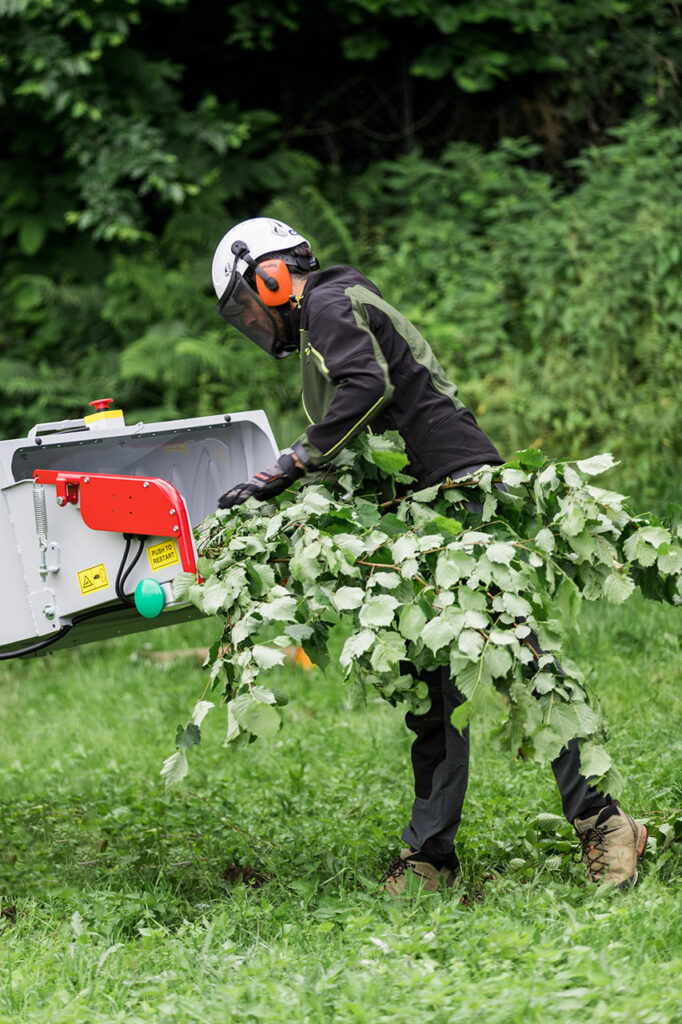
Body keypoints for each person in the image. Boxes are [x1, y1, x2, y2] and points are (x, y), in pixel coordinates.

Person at [211, 216, 647, 893]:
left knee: (518, 657)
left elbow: (367, 389)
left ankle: (607, 821)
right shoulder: (328, 319)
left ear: (268, 275)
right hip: (410, 510)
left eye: (246, 302)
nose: (253, 319)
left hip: (453, 491)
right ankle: (430, 857)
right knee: (433, 688)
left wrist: (287, 466)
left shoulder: (327, 300)